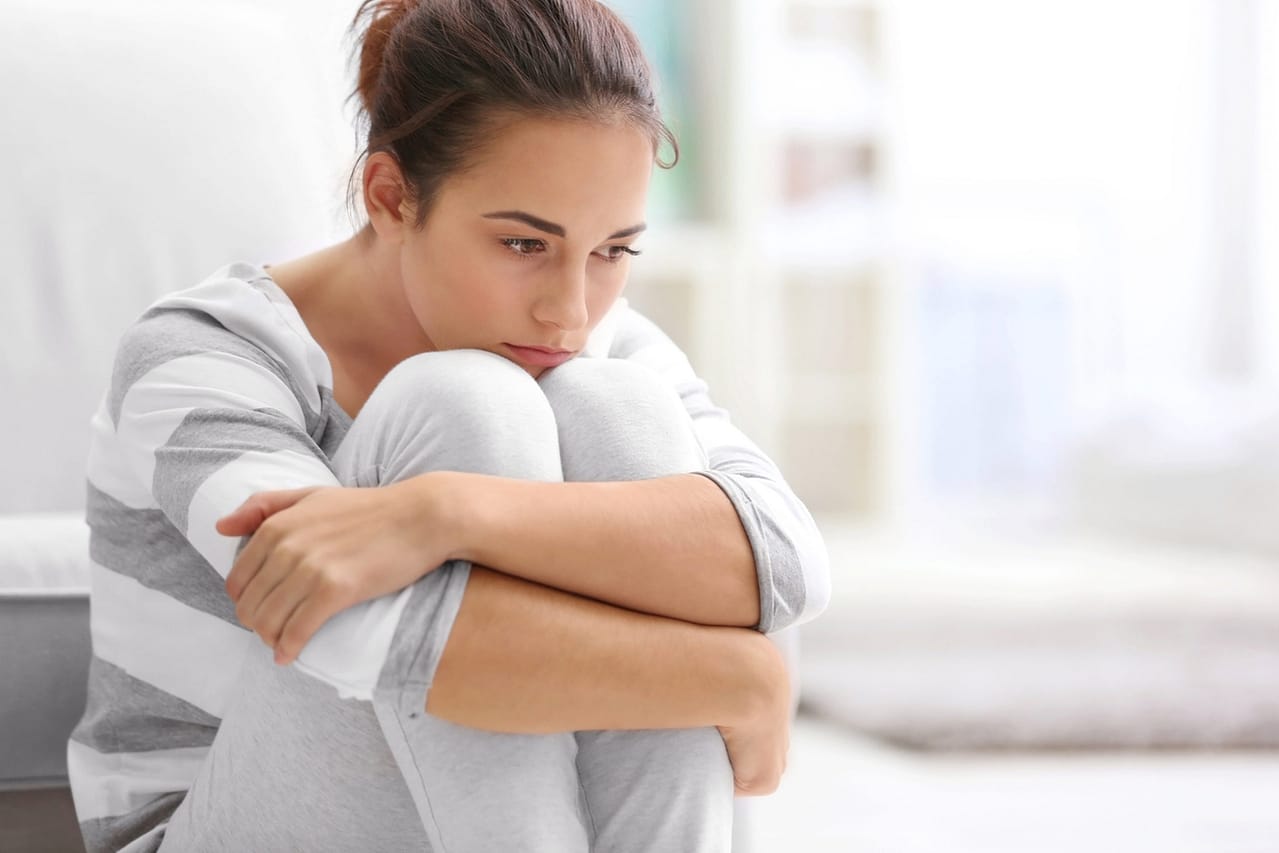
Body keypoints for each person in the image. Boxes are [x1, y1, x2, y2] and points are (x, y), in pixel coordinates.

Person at [67, 0, 830, 850]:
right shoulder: (200, 354)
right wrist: (734, 676)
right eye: (521, 244)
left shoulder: (600, 348)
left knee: (617, 407)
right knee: (464, 401)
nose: (569, 311)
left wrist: (442, 512)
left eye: (613, 250)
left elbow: (781, 558)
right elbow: (357, 631)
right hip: (224, 826)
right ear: (391, 197)